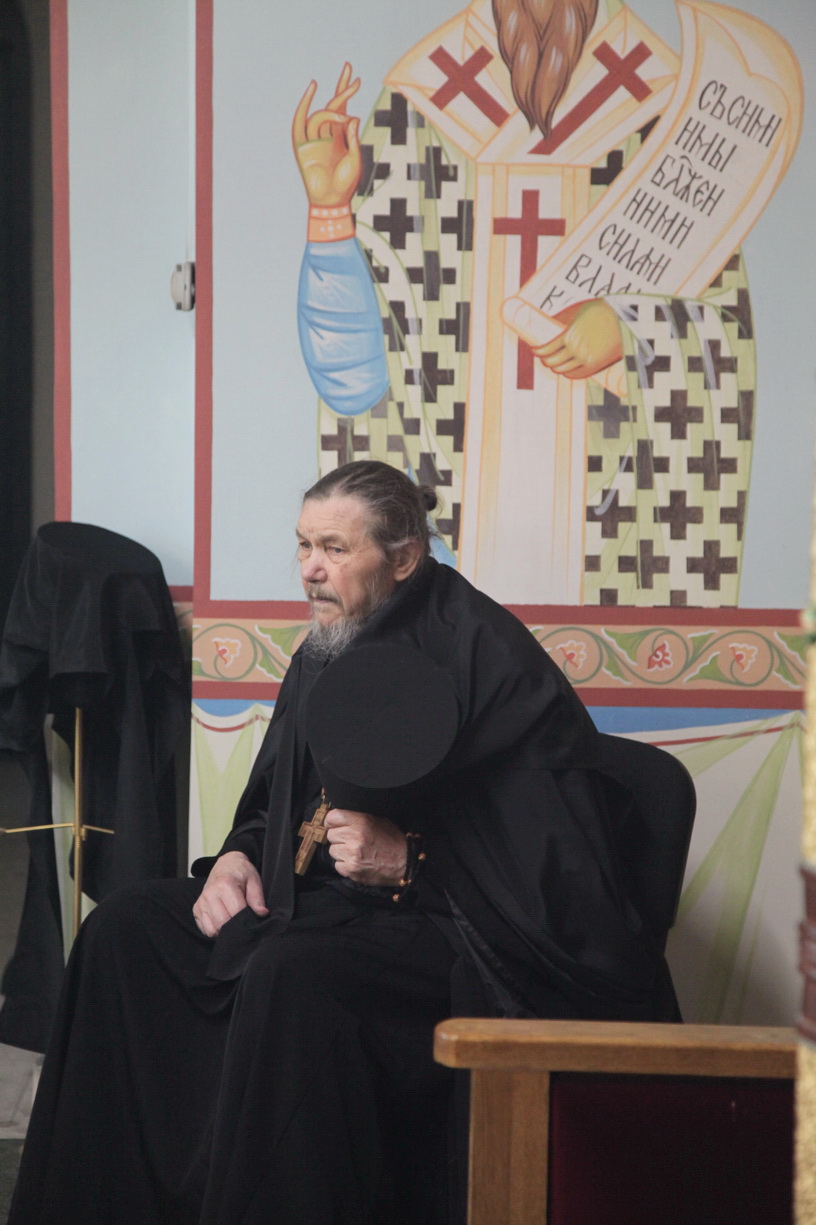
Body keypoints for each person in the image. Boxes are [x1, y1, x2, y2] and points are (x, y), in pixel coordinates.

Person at [10, 460, 678, 1225]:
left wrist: (410, 861)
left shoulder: (489, 657)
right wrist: (235, 856)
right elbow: (278, 799)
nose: (310, 569)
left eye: (334, 548)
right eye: (303, 545)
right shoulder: (331, 642)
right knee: (123, 931)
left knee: (291, 975)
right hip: (320, 905)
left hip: (454, 932)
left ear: (404, 557)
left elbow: (562, 872)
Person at [294, 0, 758, 607]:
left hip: (610, 525)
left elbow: (724, 332)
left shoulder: (661, 107)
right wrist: (332, 215)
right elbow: (357, 385)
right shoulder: (422, 101)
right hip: (454, 506)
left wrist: (634, 330)